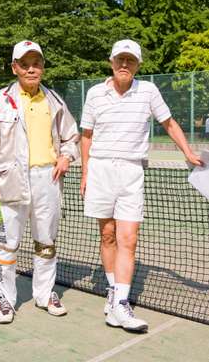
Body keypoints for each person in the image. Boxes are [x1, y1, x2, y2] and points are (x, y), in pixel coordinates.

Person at [80, 39, 203, 333]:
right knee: (107, 234)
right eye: (120, 60)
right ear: (111, 62)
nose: (125, 65)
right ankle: (112, 292)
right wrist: (85, 173)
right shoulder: (95, 94)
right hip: (100, 169)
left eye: (131, 61)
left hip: (132, 171)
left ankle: (121, 302)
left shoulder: (148, 91)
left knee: (129, 237)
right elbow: (86, 135)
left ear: (137, 65)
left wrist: (187, 152)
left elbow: (169, 123)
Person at [0, 40, 79, 324]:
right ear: (15, 68)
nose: (31, 69)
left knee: (46, 243)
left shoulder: (55, 101)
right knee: (8, 244)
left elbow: (71, 136)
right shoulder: (0, 101)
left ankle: (45, 294)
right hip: (10, 181)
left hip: (48, 179)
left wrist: (67, 157)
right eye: (25, 64)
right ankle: (5, 300)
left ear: (42, 67)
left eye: (36, 63)